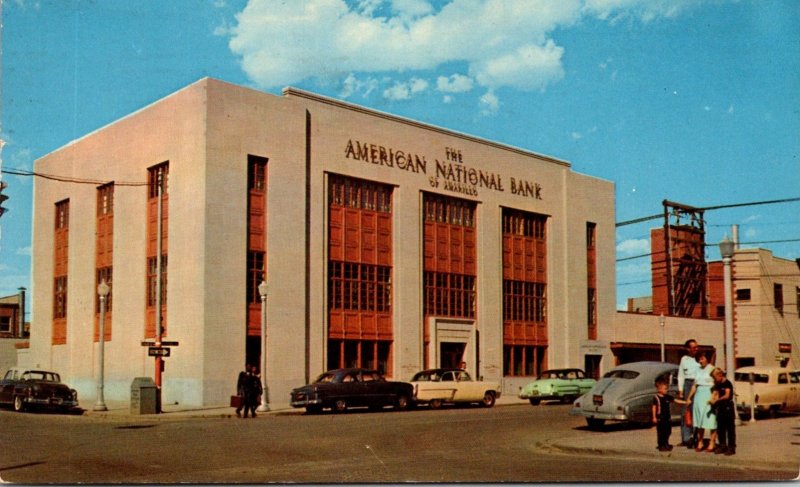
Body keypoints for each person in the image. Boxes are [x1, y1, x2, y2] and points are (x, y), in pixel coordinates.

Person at [687, 353, 717, 452]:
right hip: (699, 395)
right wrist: (689, 398)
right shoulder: (697, 370)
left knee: (711, 420)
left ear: (707, 359)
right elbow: (694, 385)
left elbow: (716, 386)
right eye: (699, 359)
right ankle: (700, 442)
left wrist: (713, 398)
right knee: (700, 420)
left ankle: (712, 442)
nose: (700, 361)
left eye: (702, 359)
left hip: (709, 394)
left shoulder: (712, 369)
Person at [652, 378, 691, 451]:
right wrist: (654, 417)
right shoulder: (656, 398)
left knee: (668, 431)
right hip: (660, 417)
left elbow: (675, 400)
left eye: (667, 389)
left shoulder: (667, 397)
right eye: (665, 389)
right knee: (661, 432)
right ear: (659, 389)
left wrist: (685, 402)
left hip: (667, 417)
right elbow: (654, 407)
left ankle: (666, 443)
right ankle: (661, 445)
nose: (666, 390)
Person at [677, 339, 700, 447]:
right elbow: (681, 374)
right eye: (693, 347)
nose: (696, 349)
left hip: (698, 385)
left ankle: (695, 437)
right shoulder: (684, 359)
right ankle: (686, 438)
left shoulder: (700, 359)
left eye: (697, 347)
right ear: (688, 349)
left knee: (697, 411)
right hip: (687, 384)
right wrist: (681, 390)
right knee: (686, 412)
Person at [710, 367, 736, 455]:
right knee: (720, 428)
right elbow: (715, 393)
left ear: (720, 375)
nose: (714, 379)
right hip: (720, 408)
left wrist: (717, 400)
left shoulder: (727, 383)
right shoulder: (718, 384)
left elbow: (727, 395)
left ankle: (731, 447)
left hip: (727, 407)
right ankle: (722, 445)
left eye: (714, 377)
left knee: (730, 429)